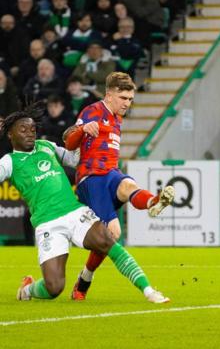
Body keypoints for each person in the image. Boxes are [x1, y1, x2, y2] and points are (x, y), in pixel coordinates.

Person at [3, 104, 169, 303]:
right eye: (23, 130)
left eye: (32, 130)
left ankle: (149, 291)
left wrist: (82, 135)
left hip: (74, 212)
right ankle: (28, 290)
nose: (30, 134)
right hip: (47, 223)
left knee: (109, 241)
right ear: (10, 135)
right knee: (54, 287)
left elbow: (74, 159)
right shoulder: (9, 162)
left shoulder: (46, 146)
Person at [63, 72, 175, 300]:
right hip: (91, 178)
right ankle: (85, 281)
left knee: (127, 184)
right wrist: (83, 129)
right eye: (123, 98)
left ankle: (153, 202)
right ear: (109, 95)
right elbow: (69, 142)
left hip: (111, 174)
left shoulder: (117, 118)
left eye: (130, 99)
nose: (127, 103)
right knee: (113, 233)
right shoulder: (92, 111)